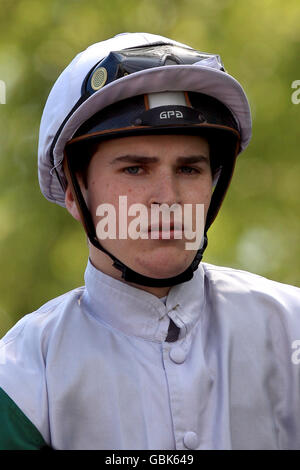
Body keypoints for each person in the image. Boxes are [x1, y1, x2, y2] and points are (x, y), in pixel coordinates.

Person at [0, 32, 299, 451]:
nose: (169, 199)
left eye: (190, 169)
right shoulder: (19, 377)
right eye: (135, 169)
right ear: (74, 191)